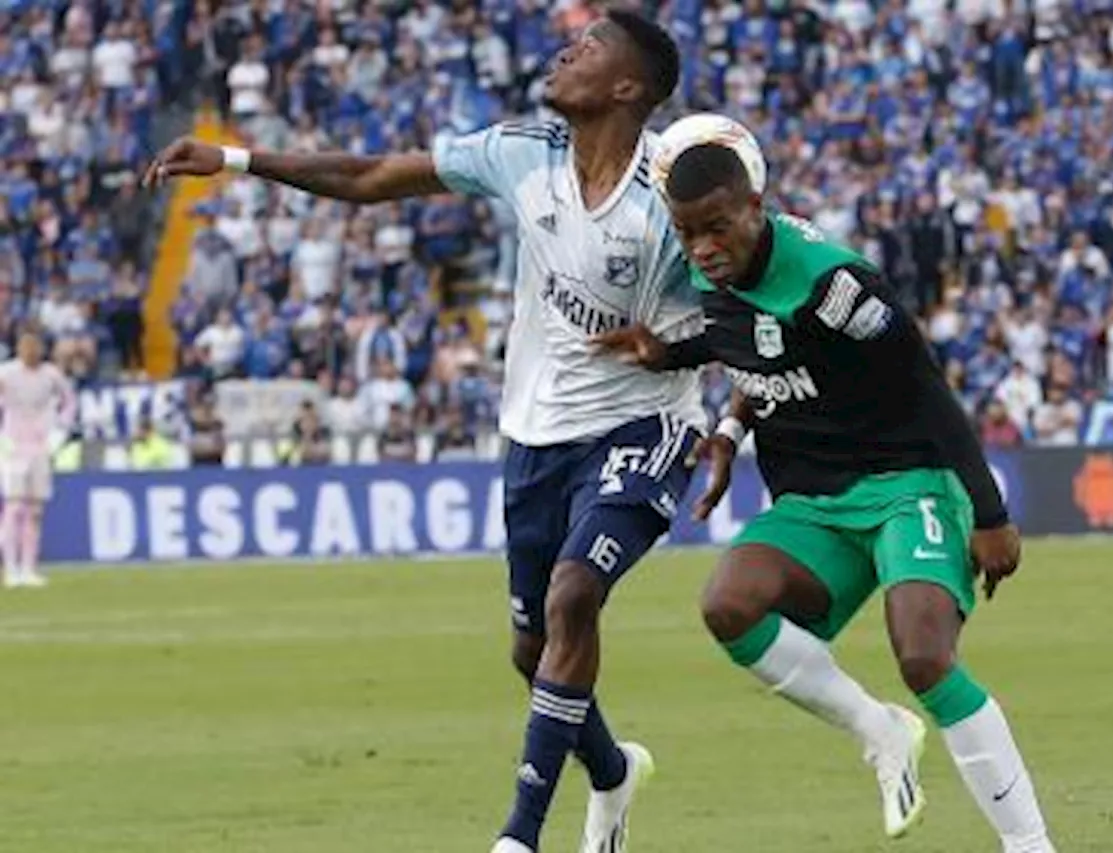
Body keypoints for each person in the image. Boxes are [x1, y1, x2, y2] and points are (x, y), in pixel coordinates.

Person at [145, 11, 709, 853]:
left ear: (628, 87)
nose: (566, 50)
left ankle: (519, 836)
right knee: (534, 650)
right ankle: (615, 773)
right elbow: (375, 174)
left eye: (589, 46)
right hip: (535, 434)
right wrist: (236, 160)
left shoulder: (672, 192)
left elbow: (746, 309)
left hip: (643, 422)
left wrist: (674, 352)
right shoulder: (525, 153)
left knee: (572, 598)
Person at [595, 140, 1056, 851]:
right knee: (729, 604)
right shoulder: (704, 265)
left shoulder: (836, 286)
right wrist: (672, 357)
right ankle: (880, 729)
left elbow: (925, 385)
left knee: (925, 656)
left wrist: (990, 514)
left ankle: (1030, 845)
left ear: (756, 206)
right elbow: (744, 340)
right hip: (814, 499)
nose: (703, 247)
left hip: (907, 480)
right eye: (688, 232)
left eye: (718, 226)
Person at [0, 330, 76, 589]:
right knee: (13, 507)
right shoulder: (7, 374)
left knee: (35, 509)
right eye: (26, 346)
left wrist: (60, 432)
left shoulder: (51, 375)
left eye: (35, 346)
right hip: (13, 447)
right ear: (19, 348)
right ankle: (10, 568)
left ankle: (29, 567)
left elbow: (69, 402)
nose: (31, 351)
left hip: (41, 447)